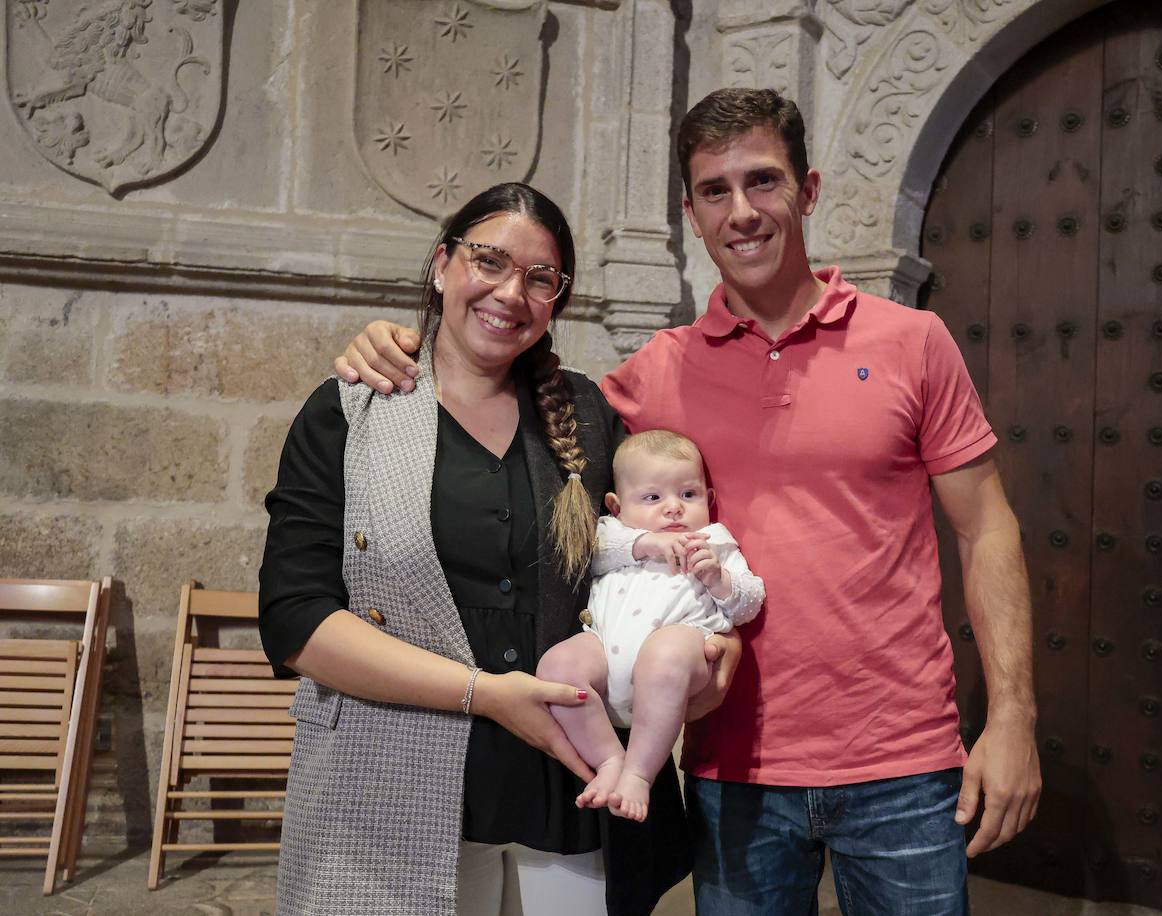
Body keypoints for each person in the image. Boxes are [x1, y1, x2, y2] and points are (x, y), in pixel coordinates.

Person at [335, 89, 1041, 915]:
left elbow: (987, 526)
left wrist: (1015, 718)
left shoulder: (912, 342)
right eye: (715, 191)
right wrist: (391, 340)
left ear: (808, 190)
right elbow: (513, 399)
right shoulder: (657, 373)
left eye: (763, 181)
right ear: (691, 214)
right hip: (730, 771)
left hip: (901, 762)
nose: (741, 211)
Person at [258, 182, 698, 915]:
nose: (509, 292)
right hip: (392, 787)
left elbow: (654, 552)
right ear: (441, 265)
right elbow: (296, 621)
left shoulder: (587, 417)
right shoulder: (350, 413)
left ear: (558, 297)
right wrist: (486, 696)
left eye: (539, 278)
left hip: (572, 788)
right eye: (487, 261)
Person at [537, 430, 764, 823]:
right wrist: (646, 544)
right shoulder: (613, 534)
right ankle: (609, 760)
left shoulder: (714, 541)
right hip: (603, 652)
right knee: (556, 668)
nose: (674, 509)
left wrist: (718, 579)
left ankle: (640, 773)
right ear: (616, 505)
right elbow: (591, 557)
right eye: (653, 497)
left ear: (708, 500)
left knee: (667, 653)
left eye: (688, 495)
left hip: (680, 652)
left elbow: (749, 602)